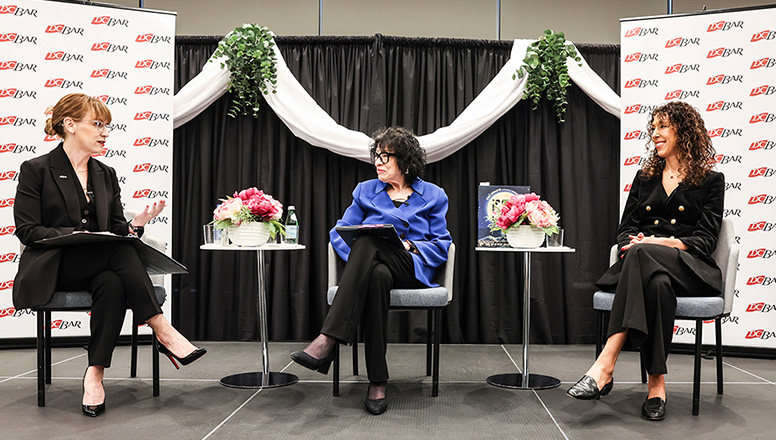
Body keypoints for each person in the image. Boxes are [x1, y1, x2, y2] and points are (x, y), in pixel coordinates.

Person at [13, 93, 206, 417]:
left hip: (101, 265)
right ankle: (162, 329)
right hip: (54, 266)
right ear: (70, 125)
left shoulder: (105, 174)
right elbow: (28, 231)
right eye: (97, 124)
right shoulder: (37, 170)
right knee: (118, 252)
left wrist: (136, 226)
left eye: (108, 126)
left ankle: (95, 375)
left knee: (112, 282)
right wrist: (77, 236)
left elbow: (116, 229)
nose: (105, 132)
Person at [566, 101, 724, 421]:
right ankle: (656, 385)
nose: (655, 134)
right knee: (657, 285)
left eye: (662, 127)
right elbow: (626, 230)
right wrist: (634, 244)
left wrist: (659, 243)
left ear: (683, 131)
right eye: (654, 128)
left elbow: (706, 241)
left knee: (645, 255)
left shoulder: (710, 180)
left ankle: (606, 363)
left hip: (688, 267)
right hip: (648, 269)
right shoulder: (645, 177)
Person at [290, 127, 452, 415]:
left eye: (385, 156)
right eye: (376, 156)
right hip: (375, 270)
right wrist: (362, 261)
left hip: (411, 268)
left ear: (406, 161)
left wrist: (410, 246)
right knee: (374, 271)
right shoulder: (365, 190)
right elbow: (338, 233)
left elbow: (442, 244)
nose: (378, 161)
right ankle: (378, 381)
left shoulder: (434, 195)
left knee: (368, 240)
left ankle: (328, 338)